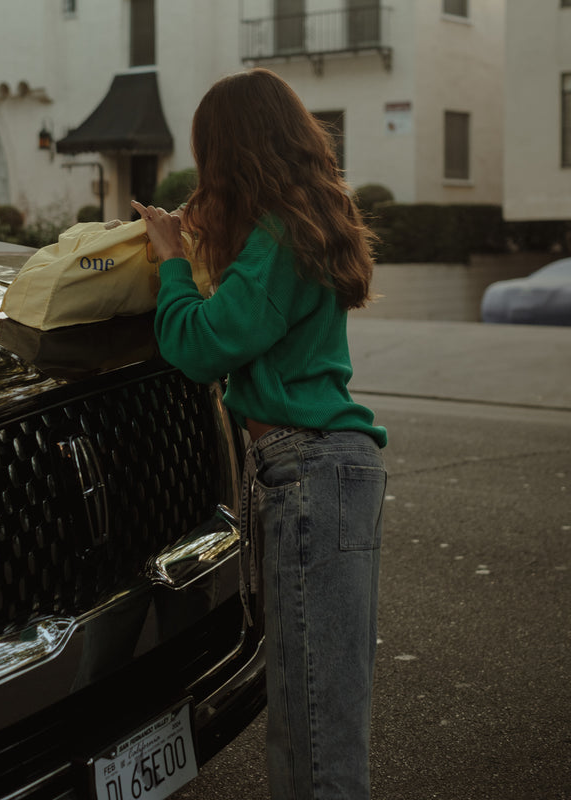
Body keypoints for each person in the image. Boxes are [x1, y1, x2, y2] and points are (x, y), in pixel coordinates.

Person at [132, 67, 388, 800]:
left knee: (314, 739)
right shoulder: (296, 224)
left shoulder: (279, 235)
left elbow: (203, 345)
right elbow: (252, 313)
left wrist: (174, 261)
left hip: (310, 474)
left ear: (234, 152)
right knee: (319, 714)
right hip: (325, 472)